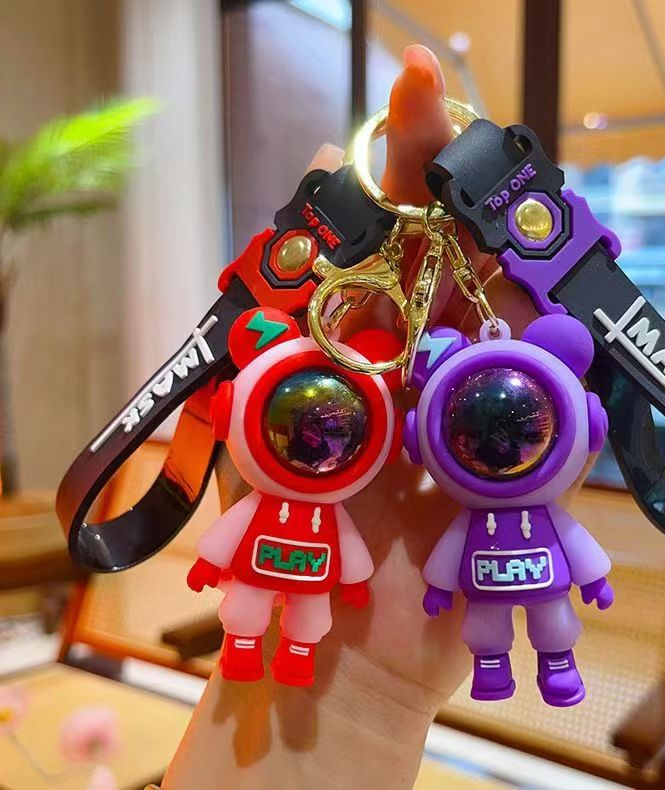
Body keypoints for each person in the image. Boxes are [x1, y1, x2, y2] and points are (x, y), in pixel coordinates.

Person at [162, 45, 591, 790]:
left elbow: (492, 553)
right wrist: (359, 608)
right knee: (269, 617)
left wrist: (414, 604)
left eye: (515, 431)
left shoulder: (494, 463)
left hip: (421, 572)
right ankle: (282, 652)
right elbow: (346, 556)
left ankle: (541, 666)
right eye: (306, 431)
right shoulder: (308, 485)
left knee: (538, 625)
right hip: (301, 573)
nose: (317, 440)